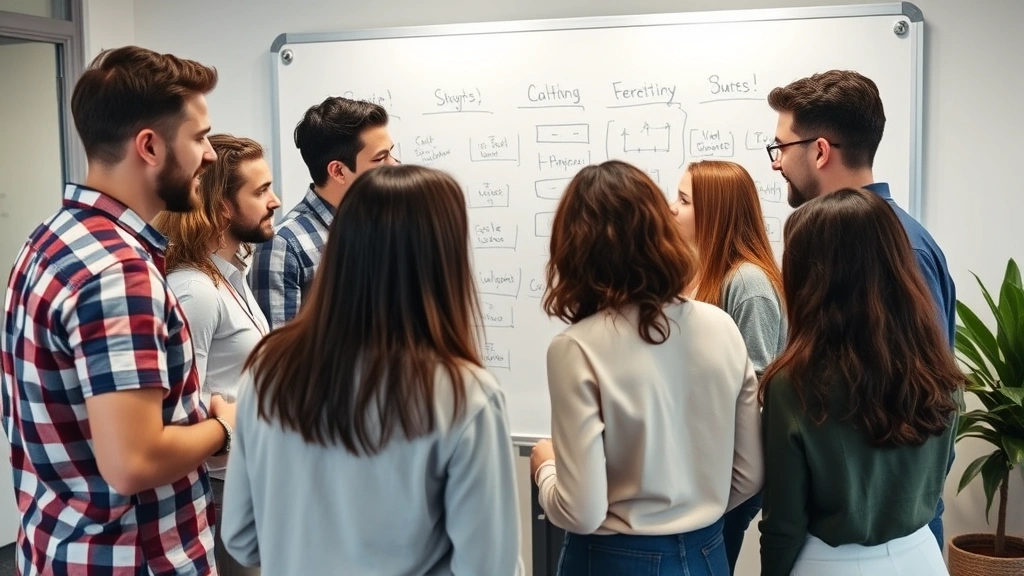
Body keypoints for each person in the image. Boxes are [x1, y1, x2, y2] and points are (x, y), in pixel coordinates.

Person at [220, 165, 522, 575]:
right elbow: (489, 569)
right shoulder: (464, 393)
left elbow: (241, 538)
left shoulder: (268, 370)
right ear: (442, 259)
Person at [0, 46, 233, 574]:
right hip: (131, 558)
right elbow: (133, 463)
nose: (212, 155)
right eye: (199, 138)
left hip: (60, 547)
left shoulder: (49, 239)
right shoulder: (119, 272)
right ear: (149, 146)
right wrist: (225, 429)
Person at [530, 160, 763, 576]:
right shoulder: (721, 325)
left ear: (573, 248)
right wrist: (690, 512)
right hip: (707, 553)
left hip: (613, 560)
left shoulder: (576, 347)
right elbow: (748, 475)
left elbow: (580, 511)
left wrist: (545, 468)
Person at [766, 70, 956, 545]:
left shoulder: (900, 252)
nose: (775, 164)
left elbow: (918, 402)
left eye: (781, 147)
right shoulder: (867, 243)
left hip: (880, 535)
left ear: (820, 150)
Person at [758, 188, 960, 576]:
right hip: (922, 556)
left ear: (811, 279)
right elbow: (942, 467)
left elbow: (784, 520)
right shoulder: (938, 368)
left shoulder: (795, 383)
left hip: (831, 563)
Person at [153, 134, 280, 575]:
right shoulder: (194, 290)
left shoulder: (229, 276)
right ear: (222, 206)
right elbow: (175, 413)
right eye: (261, 191)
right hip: (220, 491)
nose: (275, 200)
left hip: (247, 479)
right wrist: (229, 420)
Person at [670, 159, 786, 573]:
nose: (671, 208)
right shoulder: (695, 274)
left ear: (714, 212)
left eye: (683, 200)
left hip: (729, 475)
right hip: (697, 465)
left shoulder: (749, 284)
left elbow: (753, 391)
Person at [249, 96, 399, 328]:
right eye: (380, 158)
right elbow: (278, 356)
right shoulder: (284, 245)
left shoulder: (379, 228)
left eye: (390, 153)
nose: (395, 165)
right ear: (338, 171)